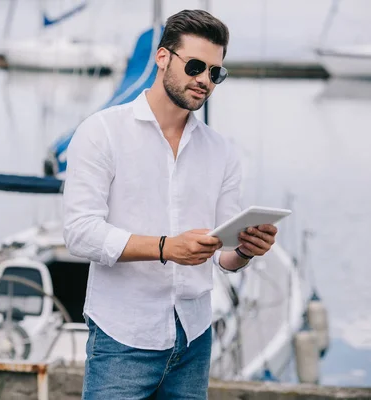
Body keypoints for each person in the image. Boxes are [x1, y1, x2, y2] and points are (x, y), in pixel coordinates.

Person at [62, 9, 279, 400]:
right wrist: (166, 247)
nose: (204, 81)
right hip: (122, 338)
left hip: (194, 338)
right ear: (163, 58)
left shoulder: (222, 151)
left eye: (216, 73)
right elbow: (80, 234)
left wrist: (245, 250)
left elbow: (223, 255)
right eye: (196, 66)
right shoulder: (102, 133)